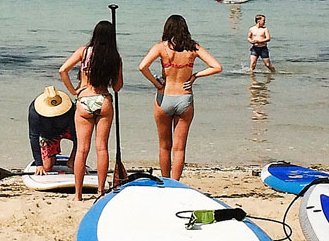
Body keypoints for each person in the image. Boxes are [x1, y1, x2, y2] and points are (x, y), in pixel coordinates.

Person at [137, 15, 223, 180]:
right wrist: (196, 75)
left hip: (164, 97)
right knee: (179, 148)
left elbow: (142, 66)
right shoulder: (193, 48)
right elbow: (217, 67)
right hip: (184, 98)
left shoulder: (161, 47)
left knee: (164, 147)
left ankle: (164, 181)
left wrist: (156, 83)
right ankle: (175, 183)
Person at [58, 21, 124, 200]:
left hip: (84, 99)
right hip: (103, 100)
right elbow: (118, 87)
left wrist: (73, 90)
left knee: (82, 149)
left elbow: (63, 70)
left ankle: (78, 194)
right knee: (101, 148)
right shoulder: (115, 58)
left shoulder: (84, 51)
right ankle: (101, 190)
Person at [28, 86, 76, 175]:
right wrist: (39, 164)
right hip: (48, 134)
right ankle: (52, 158)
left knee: (83, 136)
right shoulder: (34, 111)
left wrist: (76, 160)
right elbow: (33, 136)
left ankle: (71, 161)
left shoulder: (70, 108)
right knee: (47, 167)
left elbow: (78, 136)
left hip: (66, 129)